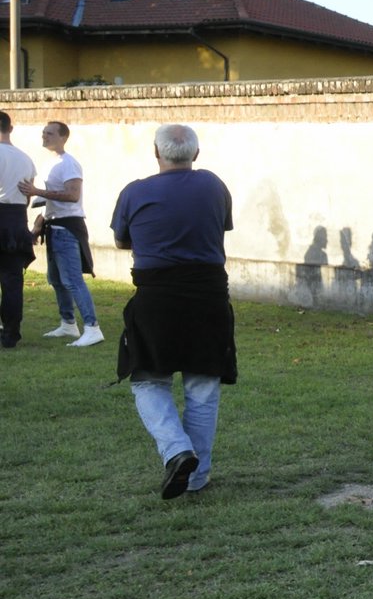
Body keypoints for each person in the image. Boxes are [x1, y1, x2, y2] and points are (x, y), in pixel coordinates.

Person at [111, 124, 236, 498]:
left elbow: (121, 240)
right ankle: (197, 478)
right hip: (209, 297)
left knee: (149, 380)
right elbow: (220, 227)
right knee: (202, 386)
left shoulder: (134, 192)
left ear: (156, 152)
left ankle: (177, 450)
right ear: (195, 154)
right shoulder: (214, 186)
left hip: (157, 298)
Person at [19, 120, 101, 347]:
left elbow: (73, 195)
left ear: (64, 137)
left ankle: (93, 328)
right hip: (54, 227)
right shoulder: (50, 164)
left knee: (73, 280)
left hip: (67, 228)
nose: (45, 136)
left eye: (50, 133)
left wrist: (37, 191)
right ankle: (68, 323)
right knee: (55, 279)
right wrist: (37, 226)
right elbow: (48, 202)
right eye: (44, 133)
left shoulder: (69, 164)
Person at [0, 112, 37, 349]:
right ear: (10, 128)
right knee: (13, 281)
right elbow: (27, 196)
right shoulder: (26, 159)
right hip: (16, 221)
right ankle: (11, 333)